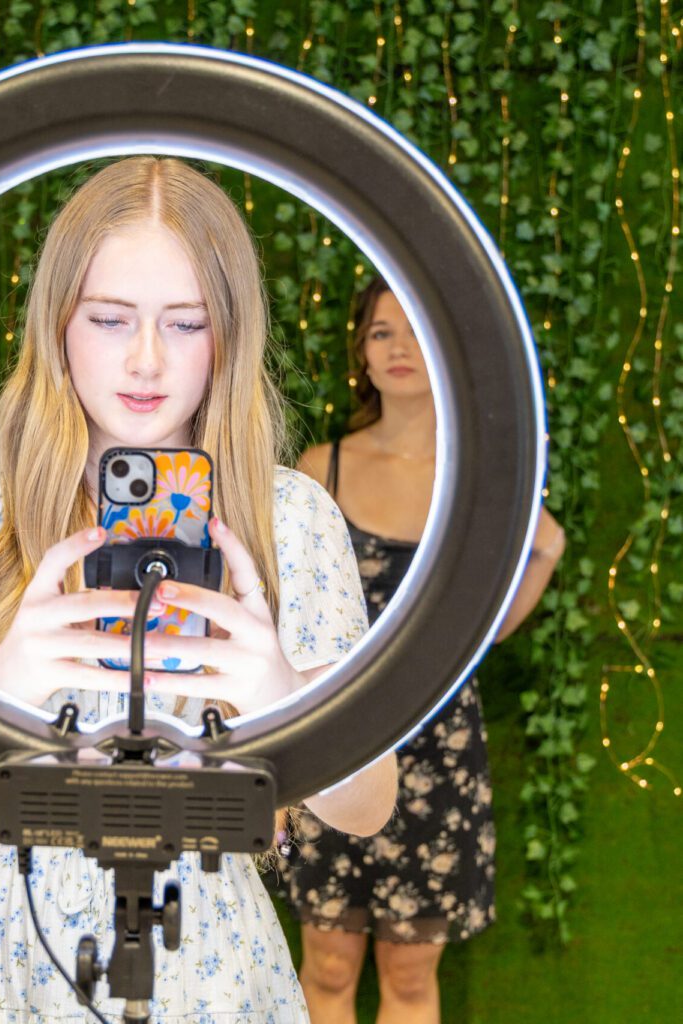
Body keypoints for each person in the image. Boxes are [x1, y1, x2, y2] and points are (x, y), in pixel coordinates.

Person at [0, 157, 399, 1023]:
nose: (146, 360)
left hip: (207, 980)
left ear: (231, 334)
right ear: (57, 322)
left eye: (185, 323)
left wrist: (280, 696)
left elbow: (368, 806)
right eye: (109, 319)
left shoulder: (289, 517)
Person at [280, 277, 566, 1024]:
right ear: (362, 355)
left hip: (439, 747)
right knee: (329, 965)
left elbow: (485, 631)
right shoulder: (320, 469)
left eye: (414, 330)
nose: (399, 346)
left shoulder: (480, 476)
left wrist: (539, 552)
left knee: (409, 977)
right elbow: (295, 620)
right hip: (336, 742)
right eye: (380, 332)